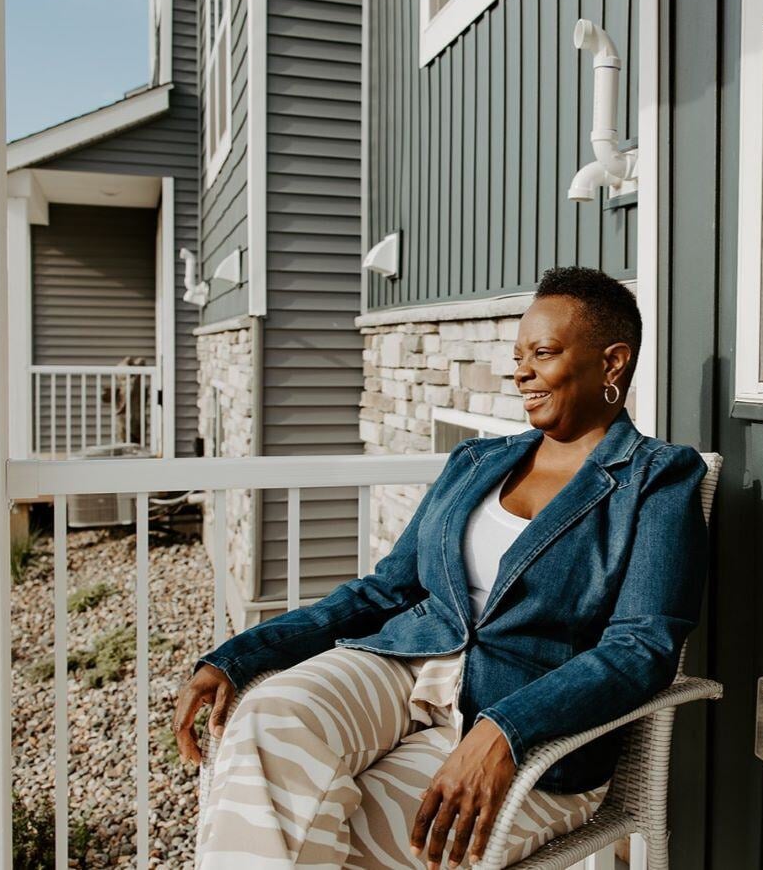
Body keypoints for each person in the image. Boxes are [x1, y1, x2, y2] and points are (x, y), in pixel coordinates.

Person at [173, 265, 710, 870]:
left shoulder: (657, 478)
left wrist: (505, 728)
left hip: (530, 723)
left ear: (613, 363)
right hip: (404, 663)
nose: (521, 372)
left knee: (345, 837)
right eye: (518, 355)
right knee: (267, 719)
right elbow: (388, 588)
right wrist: (242, 655)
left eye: (544, 353)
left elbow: (643, 646)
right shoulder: (478, 461)